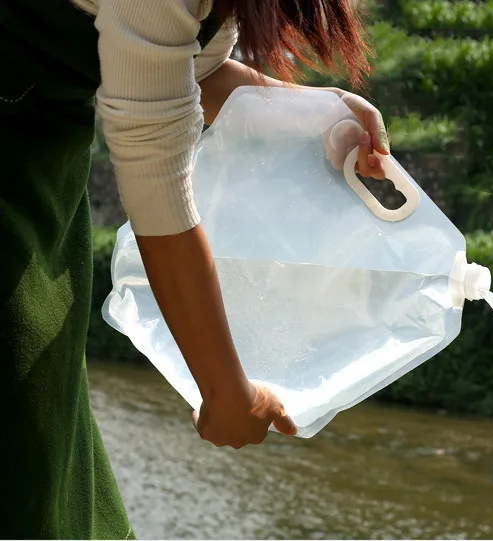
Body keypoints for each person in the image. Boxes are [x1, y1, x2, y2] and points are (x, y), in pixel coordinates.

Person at [0, 0, 390, 538]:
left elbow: (187, 71)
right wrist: (227, 392)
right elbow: (156, 174)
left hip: (41, 170)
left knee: (48, 438)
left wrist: (320, 114)